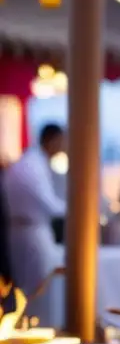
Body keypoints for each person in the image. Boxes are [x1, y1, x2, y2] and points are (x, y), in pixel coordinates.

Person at [1, 124, 66, 328]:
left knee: (28, 289)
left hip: (20, 231)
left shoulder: (28, 163)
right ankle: (37, 331)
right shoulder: (33, 166)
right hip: (32, 233)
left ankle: (31, 329)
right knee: (38, 289)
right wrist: (83, 208)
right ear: (53, 140)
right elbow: (51, 206)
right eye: (63, 141)